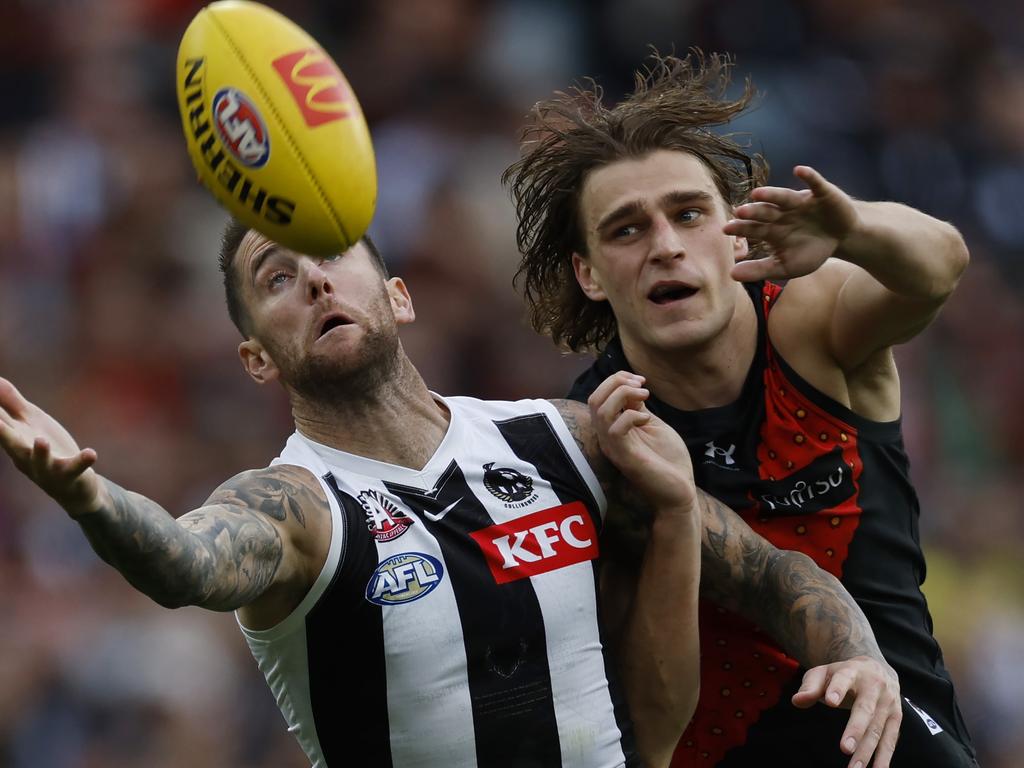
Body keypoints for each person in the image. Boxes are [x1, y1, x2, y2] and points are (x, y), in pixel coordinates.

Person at [0, 222, 899, 768]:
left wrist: (861, 654)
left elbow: (765, 571)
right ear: (257, 359)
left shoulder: (562, 438)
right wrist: (88, 499)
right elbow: (183, 562)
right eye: (277, 278)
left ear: (396, 296)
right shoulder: (299, 505)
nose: (314, 279)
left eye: (332, 259)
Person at [504, 51, 978, 767]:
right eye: (626, 230)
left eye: (689, 214)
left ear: (738, 232)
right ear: (589, 273)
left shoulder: (811, 322)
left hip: (891, 740)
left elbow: (939, 266)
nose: (666, 246)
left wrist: (852, 231)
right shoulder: (596, 434)